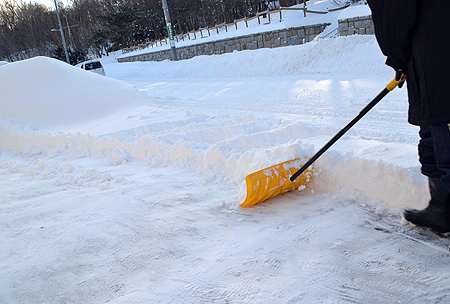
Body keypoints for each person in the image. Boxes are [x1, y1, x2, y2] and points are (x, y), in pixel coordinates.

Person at [367, 0, 450, 233]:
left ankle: (441, 209)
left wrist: (398, 59)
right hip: (436, 43)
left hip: (436, 54)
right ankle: (440, 208)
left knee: (441, 128)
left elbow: (393, 17)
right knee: (436, 128)